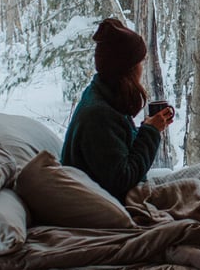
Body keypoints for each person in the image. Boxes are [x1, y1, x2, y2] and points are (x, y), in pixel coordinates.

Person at [61, 17, 174, 201]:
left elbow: (114, 150)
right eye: (139, 62)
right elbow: (122, 179)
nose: (142, 68)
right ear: (127, 69)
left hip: (121, 193)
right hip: (116, 201)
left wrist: (146, 128)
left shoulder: (103, 96)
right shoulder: (99, 116)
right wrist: (150, 133)